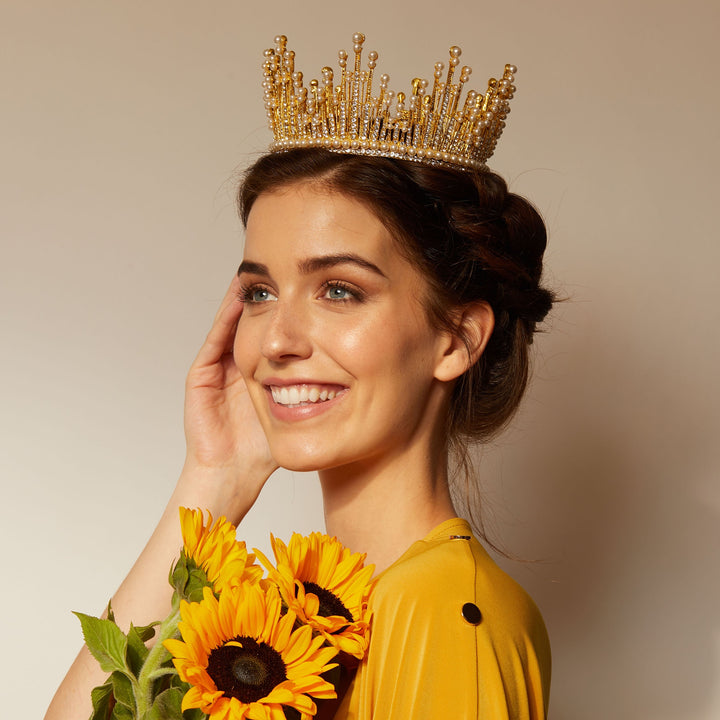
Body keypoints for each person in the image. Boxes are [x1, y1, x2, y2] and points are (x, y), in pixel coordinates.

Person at [46, 34, 554, 720]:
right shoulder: (294, 621)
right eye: (260, 293)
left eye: (339, 290)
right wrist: (214, 479)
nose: (278, 340)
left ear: (456, 338)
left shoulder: (442, 612)